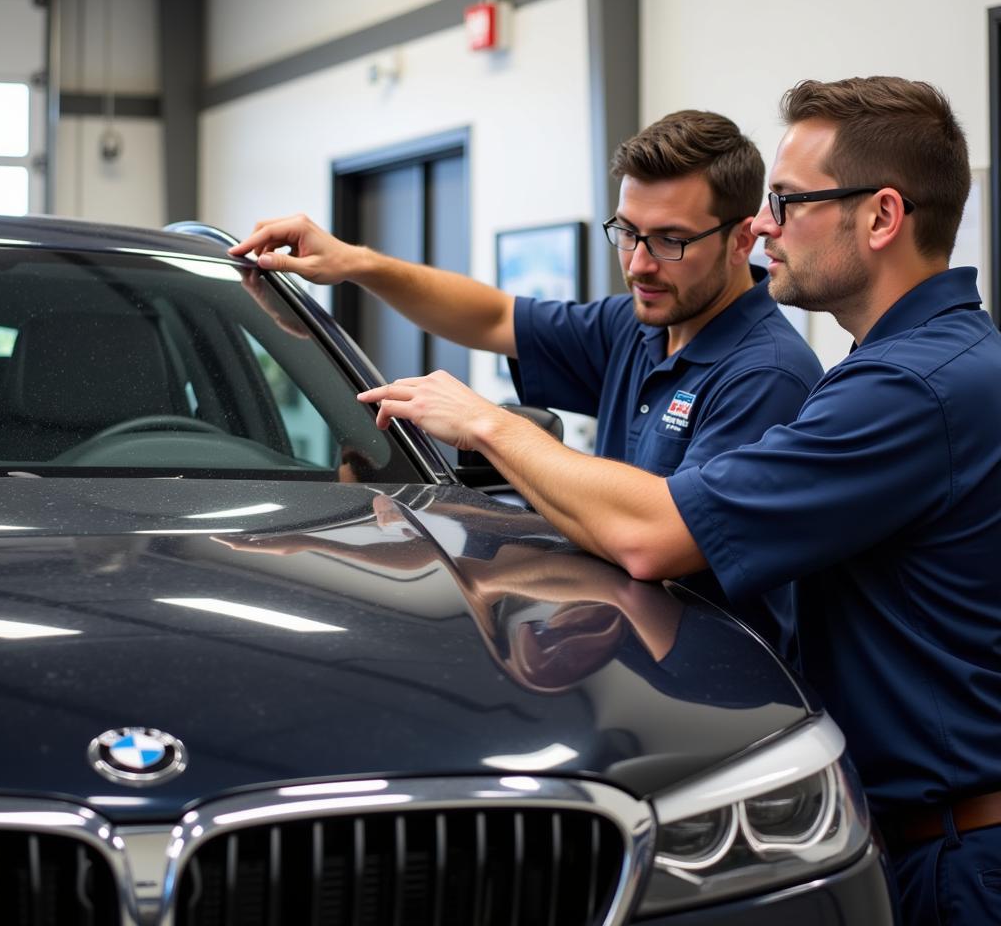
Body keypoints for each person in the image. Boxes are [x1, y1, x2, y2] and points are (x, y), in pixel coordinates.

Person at [352, 76, 1001, 925]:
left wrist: (489, 427)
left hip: (950, 857)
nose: (766, 227)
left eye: (789, 202)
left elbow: (659, 534)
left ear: (880, 218)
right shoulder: (926, 365)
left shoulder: (903, 390)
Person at [230, 110, 823, 651]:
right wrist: (356, 263)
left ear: (742, 238)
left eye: (671, 240)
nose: (640, 263)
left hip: (718, 679)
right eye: (628, 232)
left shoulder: (764, 375)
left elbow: (654, 543)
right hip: (627, 652)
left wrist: (487, 426)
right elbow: (492, 316)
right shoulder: (637, 325)